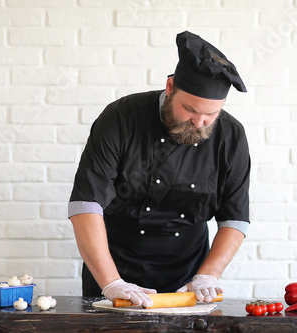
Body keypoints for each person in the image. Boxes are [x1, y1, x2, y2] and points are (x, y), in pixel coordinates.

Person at [69, 31, 250, 308]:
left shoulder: (231, 136)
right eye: (190, 110)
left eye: (211, 115)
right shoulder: (120, 119)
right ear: (169, 87)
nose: (200, 123)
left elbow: (234, 219)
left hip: (188, 277)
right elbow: (86, 204)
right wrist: (111, 282)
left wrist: (207, 276)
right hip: (114, 268)